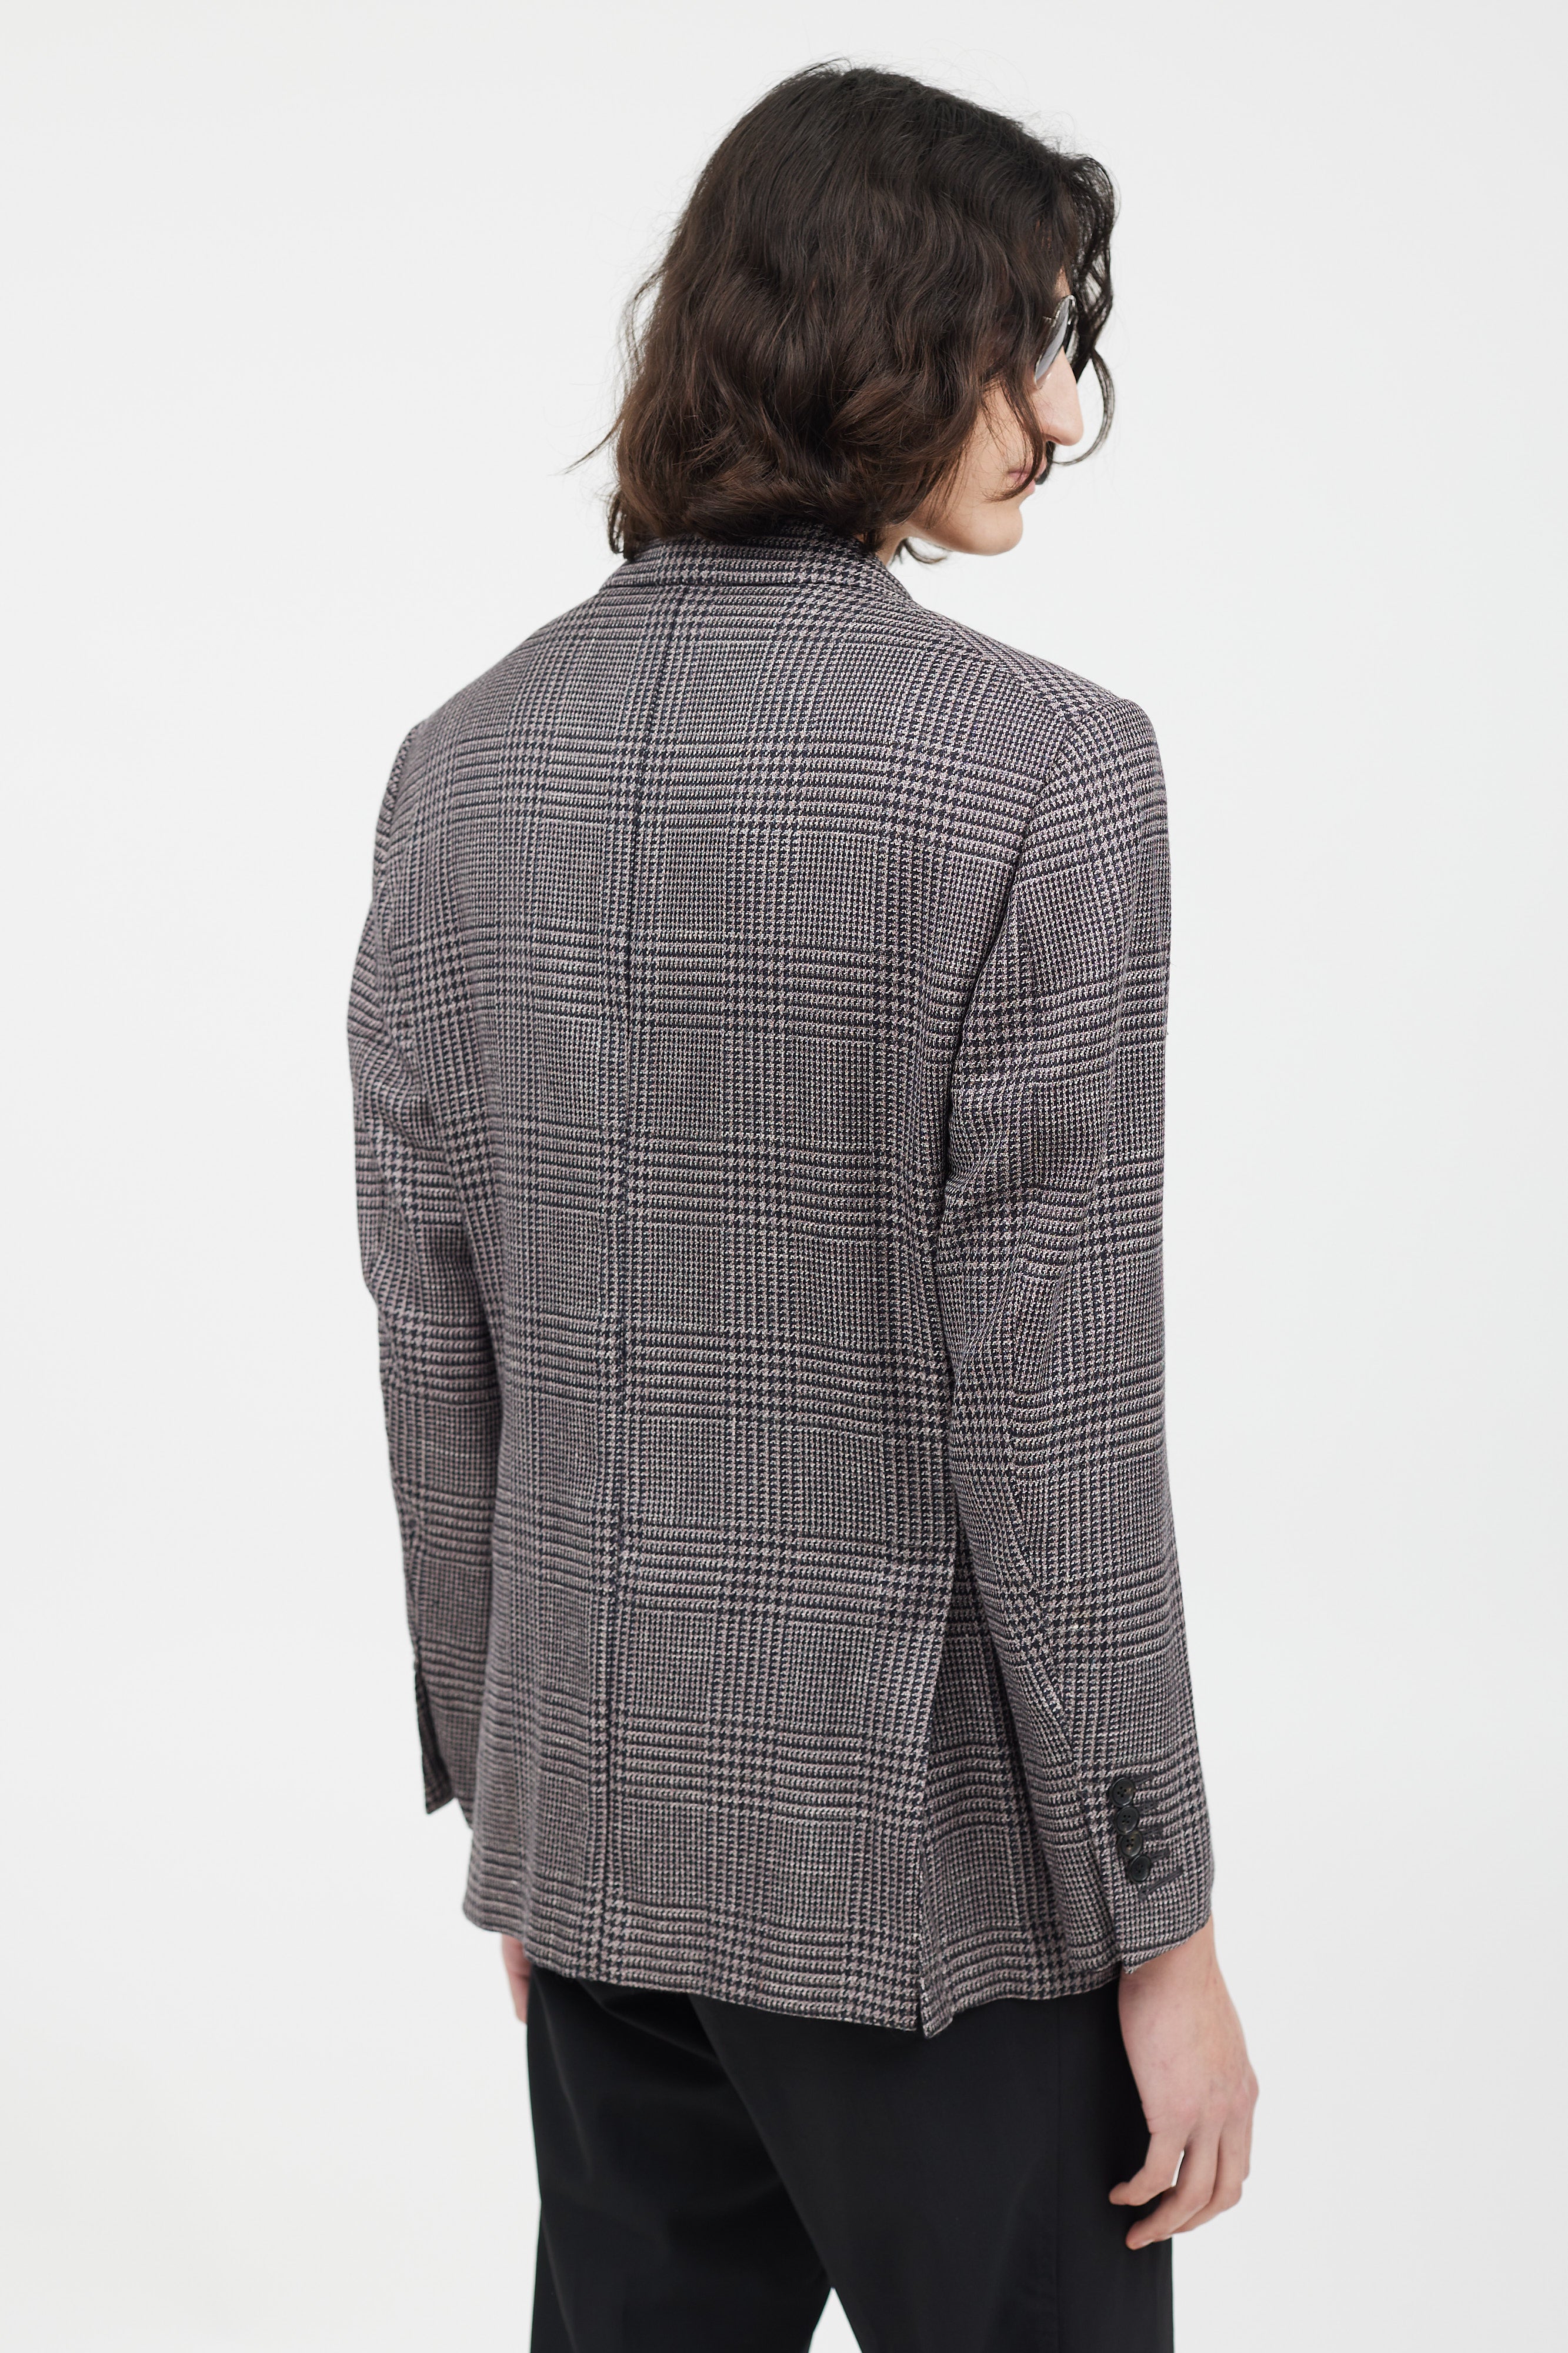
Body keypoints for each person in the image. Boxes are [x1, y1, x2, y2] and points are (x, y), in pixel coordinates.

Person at [348, 60, 1257, 2353]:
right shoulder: (1043, 774)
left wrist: (522, 1800)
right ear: (882, 335)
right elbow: (1048, 1407)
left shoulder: (460, 768)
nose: (1058, 412)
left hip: (604, 1840)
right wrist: (1162, 1924)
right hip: (926, 1888)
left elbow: (432, 1328)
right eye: (1024, 342)